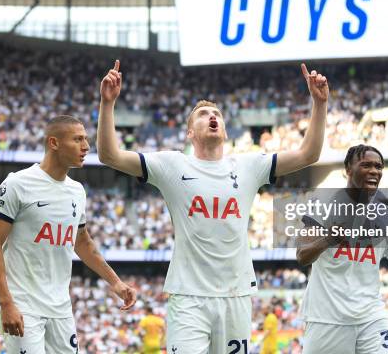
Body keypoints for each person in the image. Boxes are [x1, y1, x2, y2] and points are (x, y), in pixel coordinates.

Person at [97, 60, 328, 353]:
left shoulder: (249, 165)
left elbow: (309, 154)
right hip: (188, 296)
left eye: (216, 113)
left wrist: (319, 105)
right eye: (204, 114)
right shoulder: (171, 164)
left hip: (236, 295)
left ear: (226, 131)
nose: (212, 117)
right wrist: (107, 104)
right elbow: (109, 155)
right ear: (190, 133)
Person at [0, 115, 137, 353]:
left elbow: (83, 243)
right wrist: (6, 303)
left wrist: (115, 282)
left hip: (60, 307)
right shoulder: (17, 184)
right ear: (54, 143)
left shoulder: (77, 191)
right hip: (22, 304)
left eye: (85, 139)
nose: (86, 147)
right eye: (77, 140)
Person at [296, 144, 388, 354]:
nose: (374, 171)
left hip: (371, 315)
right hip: (327, 318)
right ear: (348, 169)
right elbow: (302, 255)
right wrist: (328, 239)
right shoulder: (322, 204)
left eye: (378, 167)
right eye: (366, 165)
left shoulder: (387, 215)